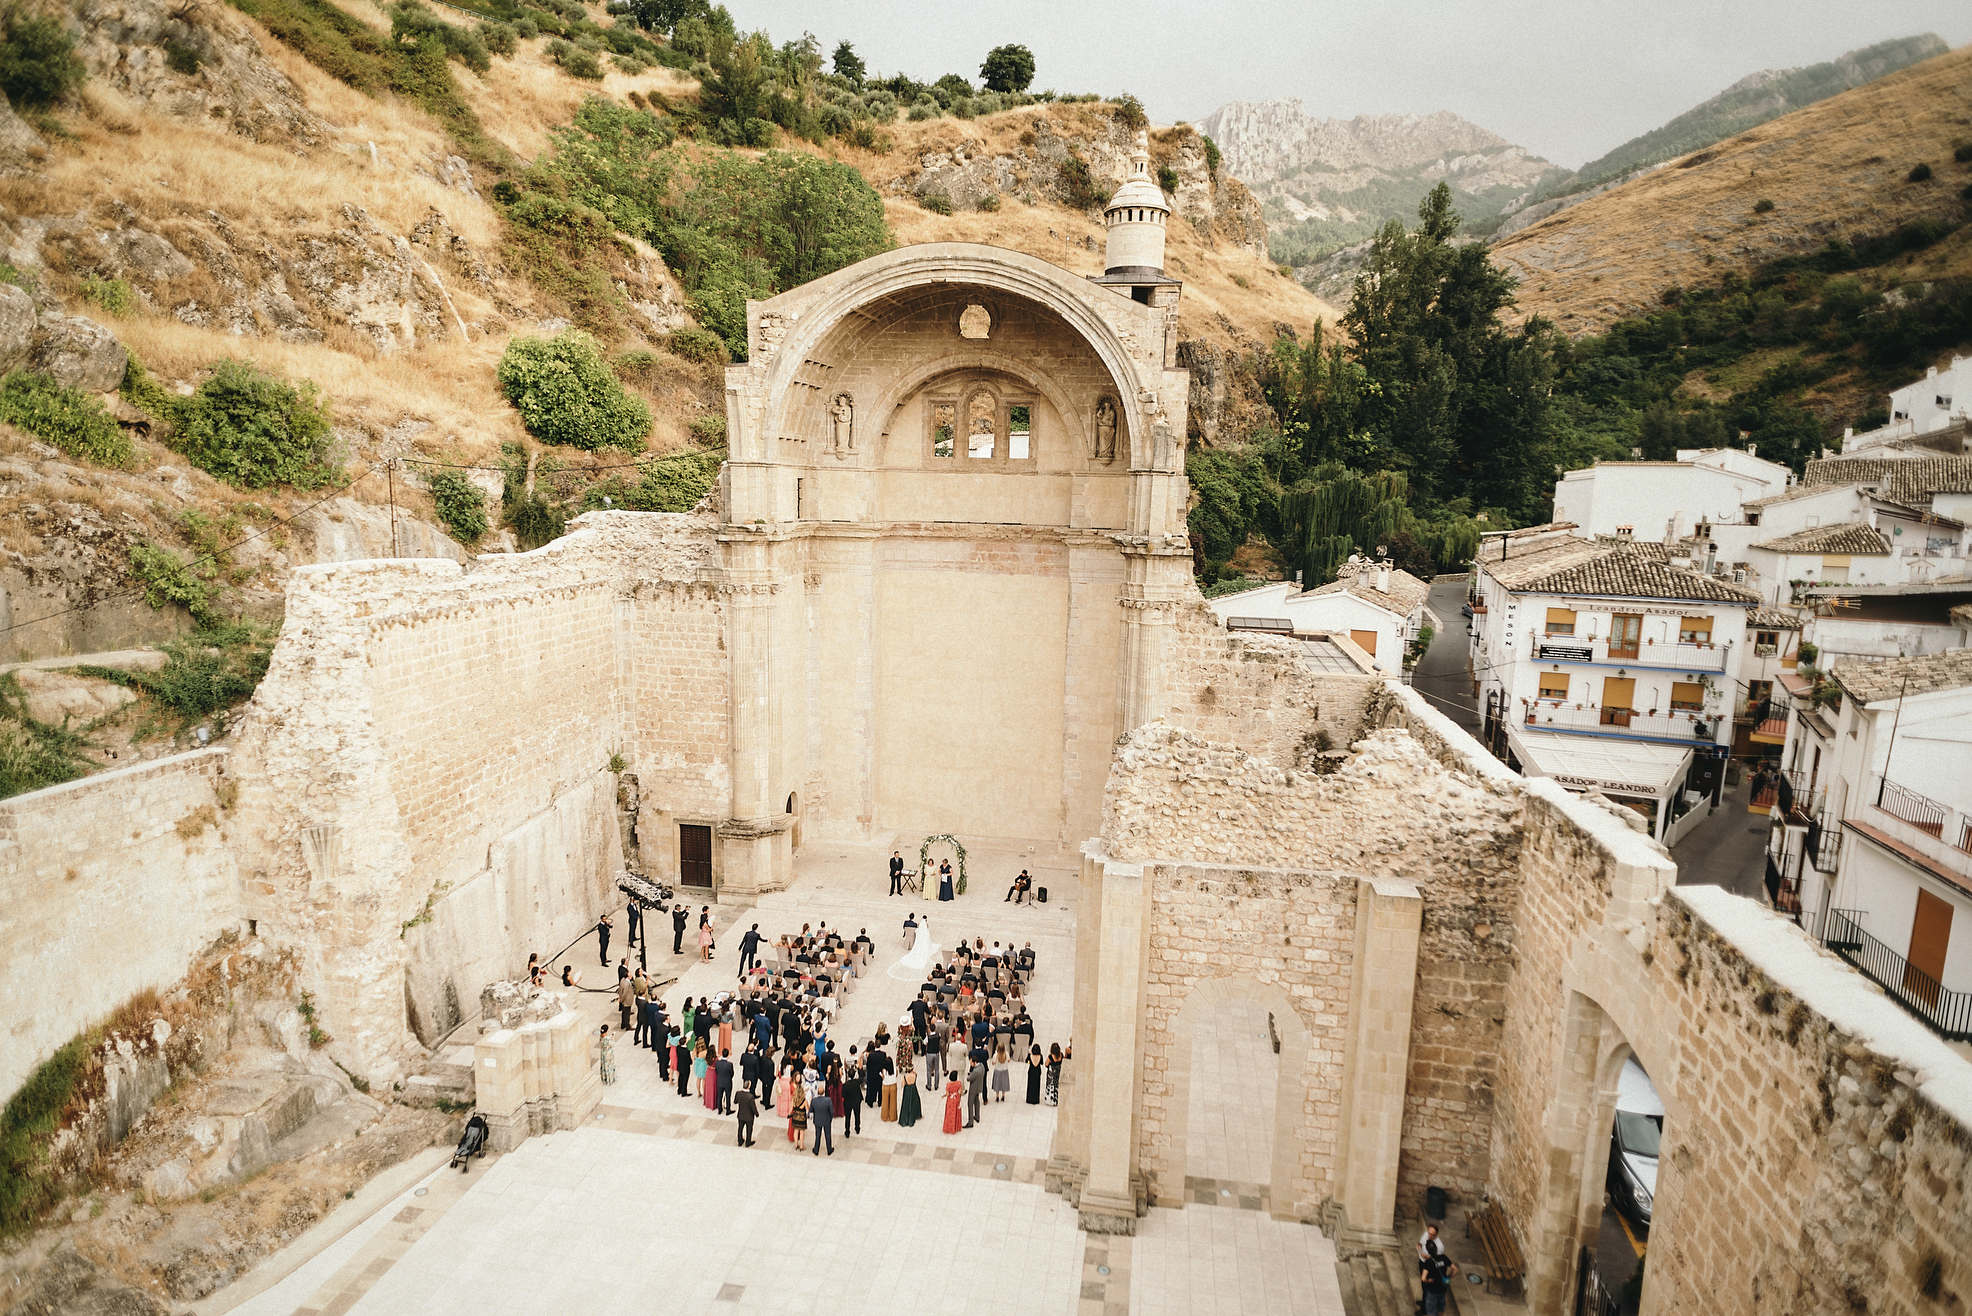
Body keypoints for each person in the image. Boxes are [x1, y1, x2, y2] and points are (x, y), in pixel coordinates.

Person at [1419, 1239, 1458, 1315]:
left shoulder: (1429, 1262)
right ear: (1436, 1248)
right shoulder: (1443, 1257)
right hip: (1442, 1288)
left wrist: (1428, 1280)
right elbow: (1455, 1269)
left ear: (1428, 1251)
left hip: (1432, 1290)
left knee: (1431, 1311)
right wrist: (1449, 1276)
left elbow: (1423, 1278)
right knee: (1440, 1308)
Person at [898, 1052, 922, 1127]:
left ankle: (905, 1119)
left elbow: (902, 1085)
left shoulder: (905, 1076)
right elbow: (915, 1075)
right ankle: (915, 1115)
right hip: (913, 1089)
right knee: (915, 1101)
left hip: (907, 1089)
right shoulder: (915, 1074)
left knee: (906, 1104)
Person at [810, 1084, 834, 1156]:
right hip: (826, 1120)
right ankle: (829, 1150)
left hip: (817, 1120)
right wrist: (830, 1119)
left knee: (817, 1135)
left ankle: (816, 1150)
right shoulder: (828, 1100)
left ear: (817, 1092)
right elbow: (832, 1112)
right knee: (828, 1135)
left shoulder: (814, 1100)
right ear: (824, 1092)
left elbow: (811, 1111)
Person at [965, 1056, 986, 1128]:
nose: (970, 1064)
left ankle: (970, 1122)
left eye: (971, 1062)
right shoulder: (982, 1066)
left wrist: (969, 1075)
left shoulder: (975, 1071)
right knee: (977, 1101)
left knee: (970, 1104)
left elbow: (969, 1079)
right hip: (979, 1087)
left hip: (973, 1088)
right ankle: (977, 1116)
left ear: (974, 1062)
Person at [714, 1048, 735, 1115]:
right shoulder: (729, 1064)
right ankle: (728, 1110)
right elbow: (732, 1073)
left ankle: (719, 1109)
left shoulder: (717, 1063)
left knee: (719, 1096)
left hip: (719, 1081)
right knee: (728, 1096)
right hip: (727, 1082)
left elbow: (716, 1071)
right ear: (728, 1055)